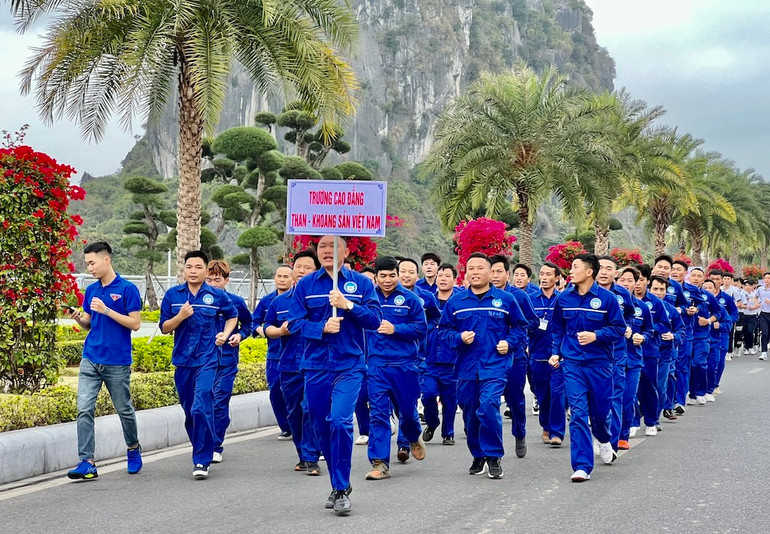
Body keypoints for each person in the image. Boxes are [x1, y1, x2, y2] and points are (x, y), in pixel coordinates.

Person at [287, 235, 381, 515]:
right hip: (315, 367)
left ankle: (341, 487)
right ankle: (337, 480)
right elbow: (293, 323)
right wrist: (320, 328)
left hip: (349, 365)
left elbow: (375, 321)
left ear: (346, 251)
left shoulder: (361, 284)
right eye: (323, 247)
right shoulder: (305, 285)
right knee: (320, 426)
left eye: (334, 246)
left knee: (340, 421)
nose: (328, 251)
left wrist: (348, 305)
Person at [438, 253, 528, 479]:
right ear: (465, 273)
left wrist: (509, 342)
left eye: (480, 268)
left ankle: (494, 456)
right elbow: (443, 332)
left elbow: (520, 327)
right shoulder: (456, 302)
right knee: (469, 413)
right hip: (466, 367)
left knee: (488, 406)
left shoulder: (506, 299)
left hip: (495, 365)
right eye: (471, 268)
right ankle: (478, 454)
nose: (475, 272)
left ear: (491, 272)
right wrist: (459, 338)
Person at [66, 241, 143, 480]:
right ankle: (86, 461)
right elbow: (90, 321)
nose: (88, 267)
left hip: (117, 361)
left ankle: (133, 448)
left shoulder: (128, 289)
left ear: (106, 260)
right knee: (84, 409)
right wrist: (79, 318)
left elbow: (136, 324)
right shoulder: (91, 290)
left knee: (123, 409)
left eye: (92, 262)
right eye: (87, 263)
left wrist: (108, 310)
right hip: (91, 357)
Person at [160, 250, 238, 479]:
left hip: (208, 358)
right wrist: (181, 316)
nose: (193, 271)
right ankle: (202, 445)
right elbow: (165, 327)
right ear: (184, 270)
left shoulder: (216, 296)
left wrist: (224, 334)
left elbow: (232, 315)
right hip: (183, 360)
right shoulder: (173, 295)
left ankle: (202, 459)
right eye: (189, 267)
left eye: (198, 267)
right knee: (190, 411)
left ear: (206, 270)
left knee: (201, 404)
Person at [549, 254, 625, 482]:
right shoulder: (563, 299)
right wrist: (556, 352)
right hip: (572, 363)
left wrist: (596, 335)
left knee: (601, 414)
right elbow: (558, 329)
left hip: (600, 363)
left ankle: (603, 438)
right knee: (579, 413)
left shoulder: (607, 299)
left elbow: (619, 329)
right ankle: (582, 465)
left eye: (575, 267)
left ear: (589, 271)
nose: (570, 271)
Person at [365, 256, 428, 480]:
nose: (388, 280)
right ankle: (380, 462)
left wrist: (396, 329)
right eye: (383, 276)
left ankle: (412, 436)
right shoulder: (368, 298)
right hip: (377, 366)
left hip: (405, 365)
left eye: (393, 275)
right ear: (376, 276)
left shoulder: (411, 299)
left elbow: (421, 329)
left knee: (408, 413)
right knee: (379, 414)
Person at [263, 250, 322, 473]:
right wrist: (279, 331)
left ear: (315, 271)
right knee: (294, 412)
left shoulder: (322, 300)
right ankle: (302, 454)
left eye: (308, 267)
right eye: (299, 266)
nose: (302, 271)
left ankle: (311, 456)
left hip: (315, 364)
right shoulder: (279, 301)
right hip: (288, 364)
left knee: (310, 408)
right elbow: (267, 327)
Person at [489, 254, 537, 458]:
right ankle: (489, 446)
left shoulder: (519, 296)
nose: (494, 275)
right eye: (491, 271)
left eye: (499, 271)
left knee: (515, 399)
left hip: (514, 358)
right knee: (486, 402)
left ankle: (520, 434)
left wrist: (513, 338)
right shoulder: (478, 296)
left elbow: (532, 323)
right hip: (487, 359)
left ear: (507, 274)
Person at [205, 260, 253, 464]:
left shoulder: (236, 302)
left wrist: (240, 335)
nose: (213, 284)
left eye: (217, 280)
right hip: (202, 360)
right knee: (202, 403)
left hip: (226, 359)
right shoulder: (199, 300)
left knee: (219, 401)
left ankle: (215, 445)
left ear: (226, 281)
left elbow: (249, 324)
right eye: (209, 280)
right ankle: (205, 439)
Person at [396, 257, 441, 462]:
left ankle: (404, 443)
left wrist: (424, 330)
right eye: (402, 271)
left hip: (418, 357)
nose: (406, 275)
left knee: (410, 402)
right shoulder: (380, 296)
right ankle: (409, 437)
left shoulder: (426, 297)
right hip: (389, 358)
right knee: (394, 405)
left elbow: (435, 318)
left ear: (417, 275)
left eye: (410, 272)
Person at [595, 256, 635, 450]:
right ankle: (598, 434)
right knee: (594, 399)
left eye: (608, 268)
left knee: (614, 396)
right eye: (600, 268)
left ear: (615, 273)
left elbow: (630, 314)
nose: (603, 272)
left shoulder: (623, 295)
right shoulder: (581, 293)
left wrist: (627, 327)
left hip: (616, 352)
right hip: (590, 355)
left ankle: (611, 443)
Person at [422, 263, 461, 445]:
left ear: (454, 279)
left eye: (447, 275)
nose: (443, 279)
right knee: (428, 394)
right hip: (429, 358)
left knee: (450, 399)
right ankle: (432, 422)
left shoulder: (459, 301)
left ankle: (449, 432)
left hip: (452, 359)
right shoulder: (428, 300)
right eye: (440, 275)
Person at [253, 265, 294, 440]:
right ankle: (286, 427)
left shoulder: (297, 299)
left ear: (293, 280)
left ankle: (297, 424)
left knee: (294, 392)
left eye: (286, 276)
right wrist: (261, 330)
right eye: (279, 276)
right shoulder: (267, 301)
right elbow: (254, 322)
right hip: (274, 355)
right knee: (276, 391)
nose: (282, 279)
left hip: (293, 355)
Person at [631, 265, 672, 436]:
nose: (638, 283)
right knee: (630, 389)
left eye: (641, 279)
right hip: (628, 352)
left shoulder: (655, 302)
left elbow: (665, 324)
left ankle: (651, 420)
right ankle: (632, 421)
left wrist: (649, 330)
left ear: (647, 281)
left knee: (649, 387)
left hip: (649, 351)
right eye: (636, 279)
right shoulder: (623, 301)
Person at [528, 262, 566, 446]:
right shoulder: (531, 299)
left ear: (557, 278)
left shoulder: (564, 299)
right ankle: (546, 425)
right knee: (542, 395)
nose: (543, 277)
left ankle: (557, 432)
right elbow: (523, 324)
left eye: (548, 274)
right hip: (537, 354)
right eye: (541, 274)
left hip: (558, 356)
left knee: (558, 394)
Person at [615, 266, 653, 448]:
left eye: (630, 280)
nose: (626, 283)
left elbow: (650, 330)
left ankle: (623, 435)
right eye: (622, 279)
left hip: (633, 360)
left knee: (628, 397)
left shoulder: (642, 307)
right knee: (610, 398)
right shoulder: (610, 303)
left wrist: (643, 337)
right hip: (612, 359)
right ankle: (607, 435)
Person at [648, 276, 686, 423]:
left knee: (660, 386)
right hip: (644, 353)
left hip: (664, 354)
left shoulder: (671, 310)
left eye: (661, 289)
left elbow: (681, 330)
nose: (658, 292)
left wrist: (673, 336)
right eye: (655, 289)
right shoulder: (640, 307)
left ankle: (654, 420)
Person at [686, 267, 721, 405]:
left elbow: (717, 313)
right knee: (687, 366)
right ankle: (691, 393)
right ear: (689, 277)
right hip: (686, 336)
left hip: (702, 336)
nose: (695, 278)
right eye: (693, 275)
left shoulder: (708, 296)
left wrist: (708, 321)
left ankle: (701, 392)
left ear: (703, 278)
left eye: (699, 276)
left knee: (699, 363)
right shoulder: (684, 294)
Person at [741, 279, 760, 355]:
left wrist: (754, 307)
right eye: (746, 285)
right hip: (744, 314)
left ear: (753, 286)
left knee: (750, 331)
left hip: (753, 315)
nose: (747, 287)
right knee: (745, 331)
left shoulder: (755, 294)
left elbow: (759, 304)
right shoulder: (741, 294)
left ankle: (751, 347)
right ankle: (746, 347)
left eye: (749, 285)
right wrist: (745, 306)